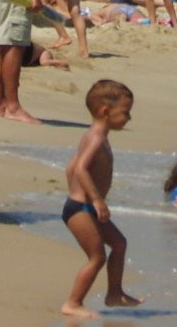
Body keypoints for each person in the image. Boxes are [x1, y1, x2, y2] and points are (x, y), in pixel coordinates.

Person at [59, 79, 141, 318]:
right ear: (105, 111)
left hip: (85, 206)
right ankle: (73, 303)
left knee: (119, 243)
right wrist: (95, 200)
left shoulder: (97, 136)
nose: (129, 118)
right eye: (125, 112)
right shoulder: (95, 138)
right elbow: (81, 169)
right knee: (97, 257)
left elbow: (70, 166)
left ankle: (114, 294)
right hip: (80, 209)